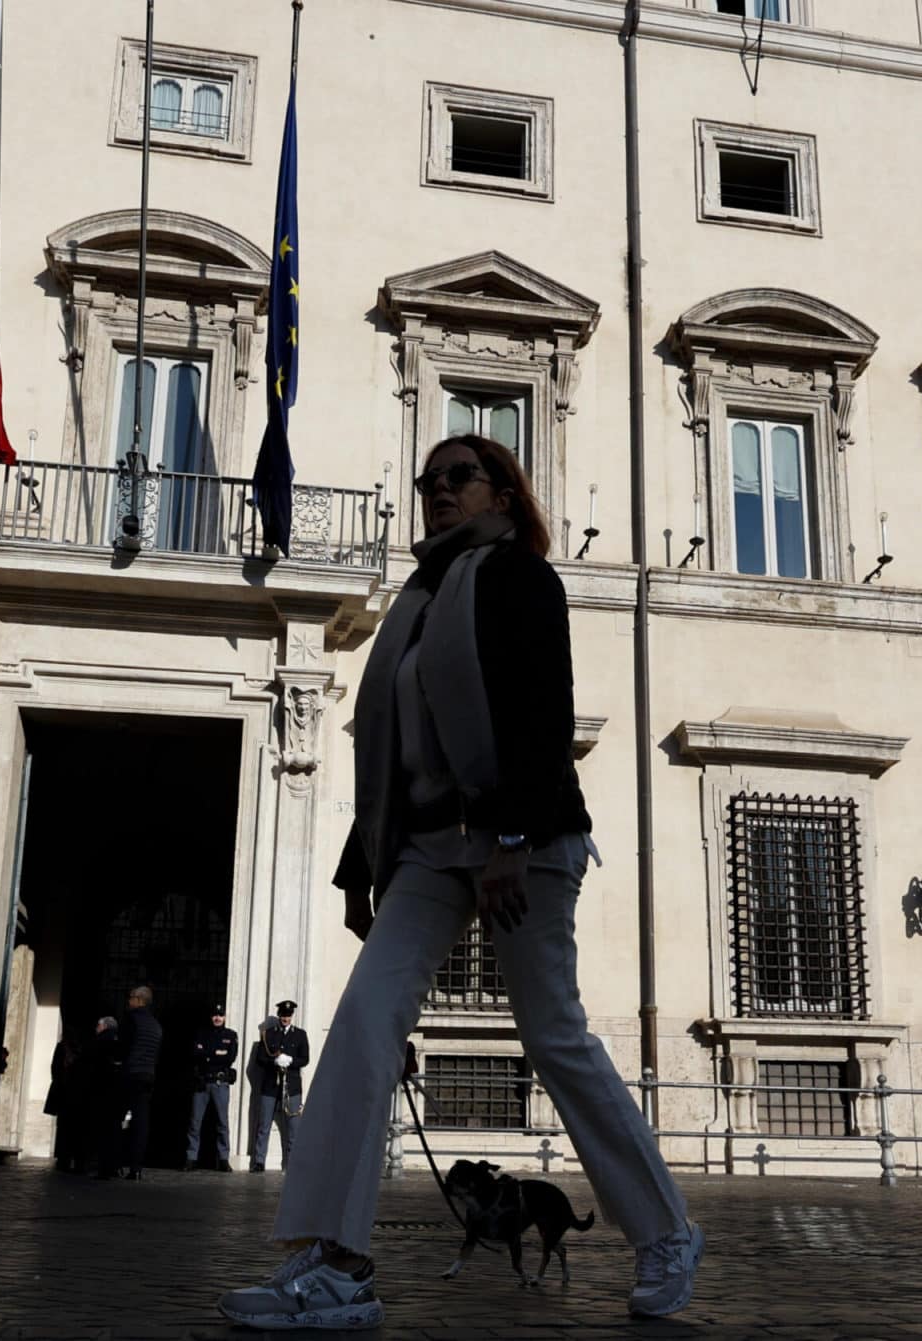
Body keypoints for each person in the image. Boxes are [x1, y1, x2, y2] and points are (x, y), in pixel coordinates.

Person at [218, 435, 701, 1330]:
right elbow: (389, 752)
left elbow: (540, 713)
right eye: (426, 480)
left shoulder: (520, 577)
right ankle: (334, 1262)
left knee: (553, 1035)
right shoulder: (419, 600)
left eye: (458, 477)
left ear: (503, 493)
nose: (438, 491)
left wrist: (513, 835)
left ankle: (666, 1230)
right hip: (430, 849)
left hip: (524, 837)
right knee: (364, 1021)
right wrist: (363, 867)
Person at [100, 985, 162, 1180]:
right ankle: (136, 1168)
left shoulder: (132, 1020)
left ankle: (113, 1165)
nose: (128, 1001)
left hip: (130, 1075)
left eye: (130, 997)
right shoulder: (155, 1025)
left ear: (138, 1000)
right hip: (147, 1076)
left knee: (114, 1119)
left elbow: (122, 1047)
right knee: (141, 1122)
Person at [246, 1000, 309, 1172]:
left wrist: (290, 1061)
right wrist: (274, 1061)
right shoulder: (269, 1034)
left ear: (292, 1016)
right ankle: (259, 1161)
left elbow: (305, 1059)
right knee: (264, 1124)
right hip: (271, 1085)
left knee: (293, 1127)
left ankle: (292, 1162)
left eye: (288, 1015)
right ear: (279, 1015)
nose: (285, 1018)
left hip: (291, 1086)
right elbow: (260, 1058)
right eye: (283, 1015)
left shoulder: (300, 1035)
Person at [187, 1003, 239, 1172]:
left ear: (224, 1017)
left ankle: (223, 1158)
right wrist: (216, 1054)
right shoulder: (201, 1033)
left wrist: (208, 1055)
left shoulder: (231, 1035)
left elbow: (230, 1058)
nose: (217, 1018)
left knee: (222, 1122)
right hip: (202, 1082)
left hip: (220, 1083)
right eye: (215, 1015)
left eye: (220, 1015)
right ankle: (191, 1157)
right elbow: (196, 1054)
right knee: (195, 1122)